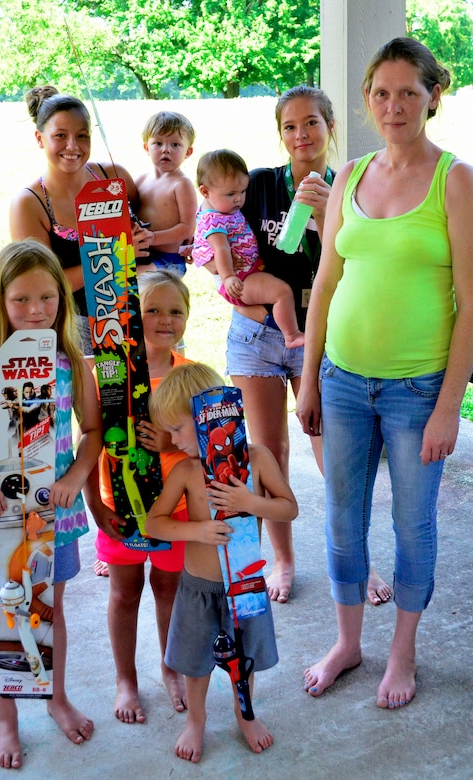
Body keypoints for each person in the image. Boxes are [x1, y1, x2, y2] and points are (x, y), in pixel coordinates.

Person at [296, 37, 473, 709]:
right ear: (366, 101)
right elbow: (323, 284)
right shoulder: (347, 177)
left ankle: (402, 652)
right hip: (343, 382)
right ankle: (348, 643)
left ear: (432, 96)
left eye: (408, 91)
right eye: (381, 92)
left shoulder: (456, 180)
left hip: (417, 391)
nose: (393, 105)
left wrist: (448, 407)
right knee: (342, 520)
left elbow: (472, 303)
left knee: (413, 524)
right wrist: (307, 375)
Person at [0, 240, 103, 769]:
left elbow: (92, 432)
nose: (35, 311)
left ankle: (54, 698)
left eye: (48, 299)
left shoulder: (70, 367)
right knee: (3, 613)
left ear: (62, 299)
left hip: (53, 514)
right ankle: (5, 717)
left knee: (47, 609)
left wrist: (78, 474)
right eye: (21, 300)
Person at [228, 85, 389, 604]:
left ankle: (355, 565)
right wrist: (240, 296)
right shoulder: (257, 185)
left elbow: (361, 268)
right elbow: (222, 248)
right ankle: (283, 559)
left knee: (334, 454)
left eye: (312, 123)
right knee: (270, 450)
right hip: (257, 335)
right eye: (290, 127)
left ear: (331, 126)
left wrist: (325, 218)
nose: (302, 135)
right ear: (281, 135)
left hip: (317, 336)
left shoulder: (354, 185)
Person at [144, 362, 297, 763]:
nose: (172, 439)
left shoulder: (258, 459)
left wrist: (250, 502)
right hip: (197, 588)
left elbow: (288, 509)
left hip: (243, 587)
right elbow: (154, 524)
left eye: (177, 428)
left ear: (205, 418)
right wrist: (196, 531)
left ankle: (243, 713)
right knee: (195, 662)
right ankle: (196, 720)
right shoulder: (186, 471)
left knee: (242, 659)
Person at [84, 270, 192, 722]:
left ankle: (171, 668)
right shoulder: (105, 373)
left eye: (175, 311)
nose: (164, 320)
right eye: (151, 310)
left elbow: (212, 444)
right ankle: (125, 679)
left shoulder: (193, 377)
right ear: (130, 314)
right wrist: (94, 507)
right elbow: (89, 443)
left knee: (169, 589)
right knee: (124, 593)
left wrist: (170, 444)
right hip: (118, 511)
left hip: (178, 512)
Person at [9, 85, 152, 356]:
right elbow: (43, 286)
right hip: (77, 329)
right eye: (60, 136)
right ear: (39, 138)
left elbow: (150, 222)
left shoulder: (114, 177)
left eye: (82, 136)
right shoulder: (29, 203)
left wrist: (155, 237)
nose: (72, 146)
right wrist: (116, 253)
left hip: (141, 315)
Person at [192, 149, 304, 349]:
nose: (239, 199)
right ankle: (292, 335)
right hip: (239, 280)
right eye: (231, 194)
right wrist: (228, 278)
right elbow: (221, 250)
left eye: (242, 191)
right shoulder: (213, 219)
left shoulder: (221, 207)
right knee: (282, 292)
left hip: (247, 271)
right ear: (205, 192)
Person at [135, 111, 198, 277]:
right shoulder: (141, 180)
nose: (166, 150)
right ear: (146, 148)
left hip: (169, 260)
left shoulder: (181, 184)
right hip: (140, 253)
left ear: (188, 152)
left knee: (134, 277)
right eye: (158, 143)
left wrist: (153, 238)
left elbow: (187, 227)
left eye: (175, 145)